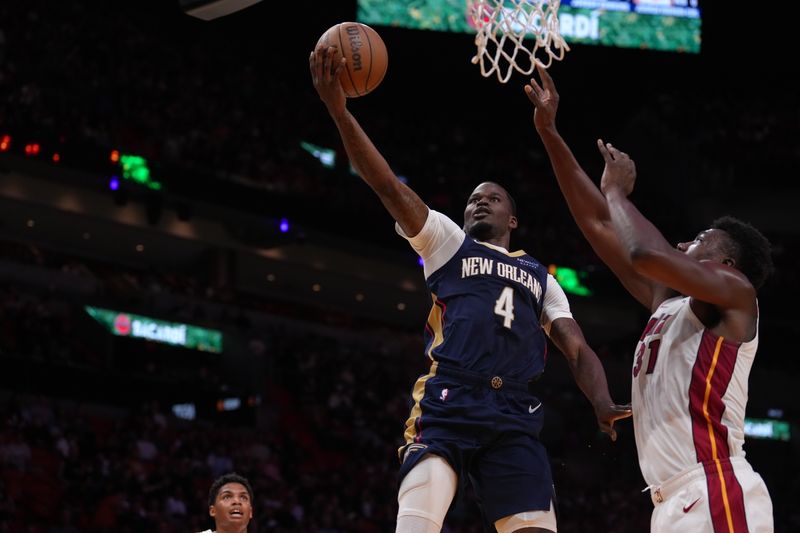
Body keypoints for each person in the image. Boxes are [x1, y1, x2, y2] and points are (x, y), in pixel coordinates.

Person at [310, 45, 631, 533]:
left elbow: (576, 347)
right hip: (450, 400)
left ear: (513, 218)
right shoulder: (447, 243)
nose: (481, 202)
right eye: (474, 199)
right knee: (417, 524)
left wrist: (601, 400)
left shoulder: (541, 276)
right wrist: (339, 111)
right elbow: (387, 186)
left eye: (494, 198)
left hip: (515, 414)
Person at [525, 63, 775, 532]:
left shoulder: (736, 296)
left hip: (716, 488)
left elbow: (643, 250)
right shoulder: (669, 303)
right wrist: (550, 133)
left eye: (699, 239)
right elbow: (600, 224)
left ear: (726, 265)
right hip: (670, 502)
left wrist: (617, 192)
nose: (684, 244)